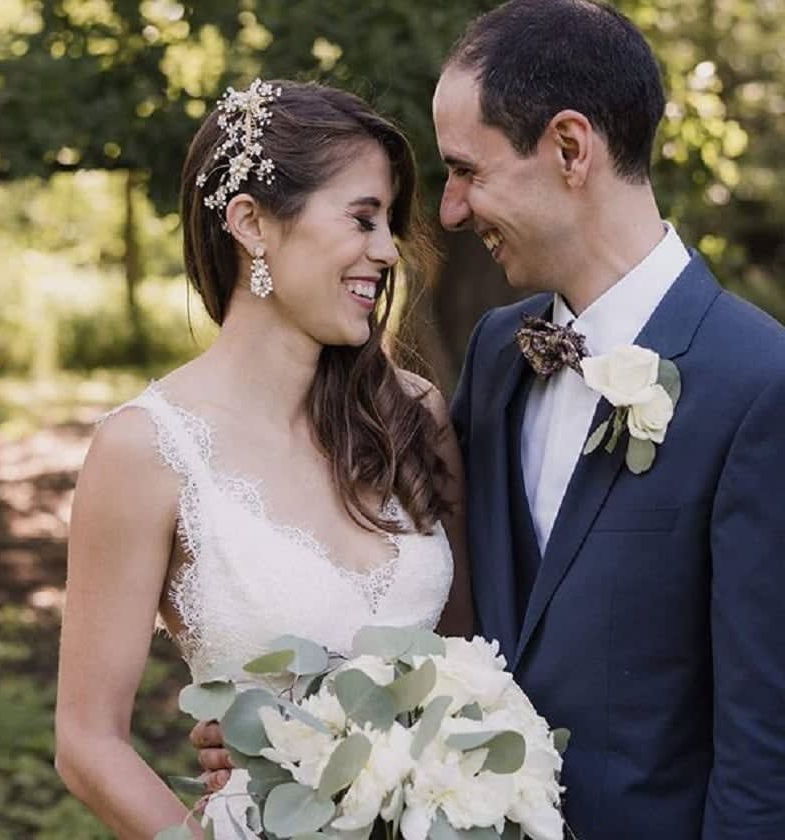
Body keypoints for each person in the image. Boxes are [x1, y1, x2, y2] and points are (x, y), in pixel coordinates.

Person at [196, 3, 785, 838]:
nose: (450, 212)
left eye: (467, 171)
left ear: (570, 149)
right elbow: (432, 608)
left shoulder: (760, 386)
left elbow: (766, 754)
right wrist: (291, 736)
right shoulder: (501, 354)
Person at [54, 79, 473, 839]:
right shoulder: (145, 451)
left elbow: (473, 660)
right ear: (251, 223)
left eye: (388, 223)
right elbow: (88, 744)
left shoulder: (411, 418)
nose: (387, 251)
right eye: (363, 218)